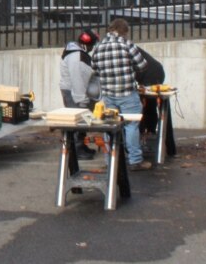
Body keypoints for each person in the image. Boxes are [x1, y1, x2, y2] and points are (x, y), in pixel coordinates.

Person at [91, 18, 151, 171]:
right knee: (131, 125)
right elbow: (142, 65)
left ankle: (110, 159)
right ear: (123, 31)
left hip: (108, 94)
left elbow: (95, 70)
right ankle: (135, 161)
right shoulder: (127, 44)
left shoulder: (98, 47)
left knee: (109, 126)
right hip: (127, 94)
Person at [59, 28, 100, 160]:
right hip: (74, 92)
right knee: (78, 121)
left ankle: (80, 147)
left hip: (71, 91)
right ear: (87, 44)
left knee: (80, 121)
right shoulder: (78, 57)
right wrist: (82, 100)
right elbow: (77, 79)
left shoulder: (75, 52)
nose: (92, 48)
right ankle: (77, 150)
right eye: (92, 45)